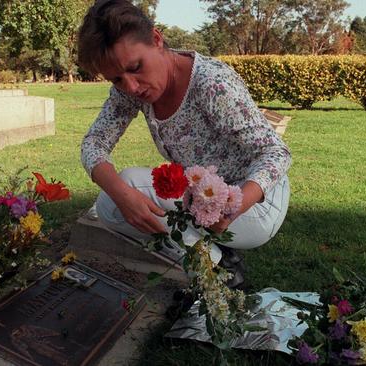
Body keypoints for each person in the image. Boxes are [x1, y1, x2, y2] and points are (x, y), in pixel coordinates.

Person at [77, 0, 291, 287]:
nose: (130, 86)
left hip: (256, 204)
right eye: (116, 79)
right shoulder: (129, 90)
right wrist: (122, 196)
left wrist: (232, 207)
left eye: (136, 67)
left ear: (156, 39)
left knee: (131, 183)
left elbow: (276, 153)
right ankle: (215, 263)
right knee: (111, 206)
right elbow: (94, 142)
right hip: (199, 200)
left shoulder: (211, 84)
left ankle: (216, 273)